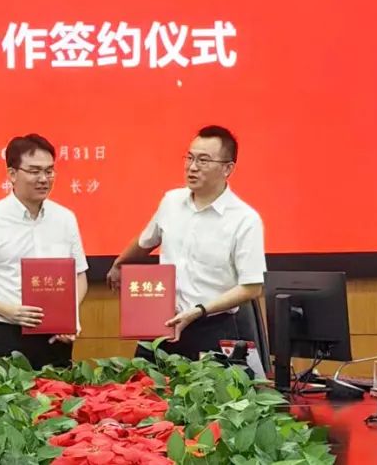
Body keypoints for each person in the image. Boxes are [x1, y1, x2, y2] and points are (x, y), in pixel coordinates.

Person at [107, 125, 265, 360]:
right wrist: (119, 264)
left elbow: (252, 287)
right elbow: (146, 240)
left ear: (227, 168)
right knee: (139, 382)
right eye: (190, 158)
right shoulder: (171, 201)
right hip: (161, 322)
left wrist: (198, 311)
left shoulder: (245, 219)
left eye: (203, 160)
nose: (192, 167)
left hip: (211, 326)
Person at [0, 133, 88, 368]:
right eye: (34, 171)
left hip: (57, 337)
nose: (43, 179)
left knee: (60, 391)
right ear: (12, 174)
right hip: (8, 333)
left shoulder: (65, 218)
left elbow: (79, 275)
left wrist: (70, 316)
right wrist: (7, 311)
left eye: (49, 171)